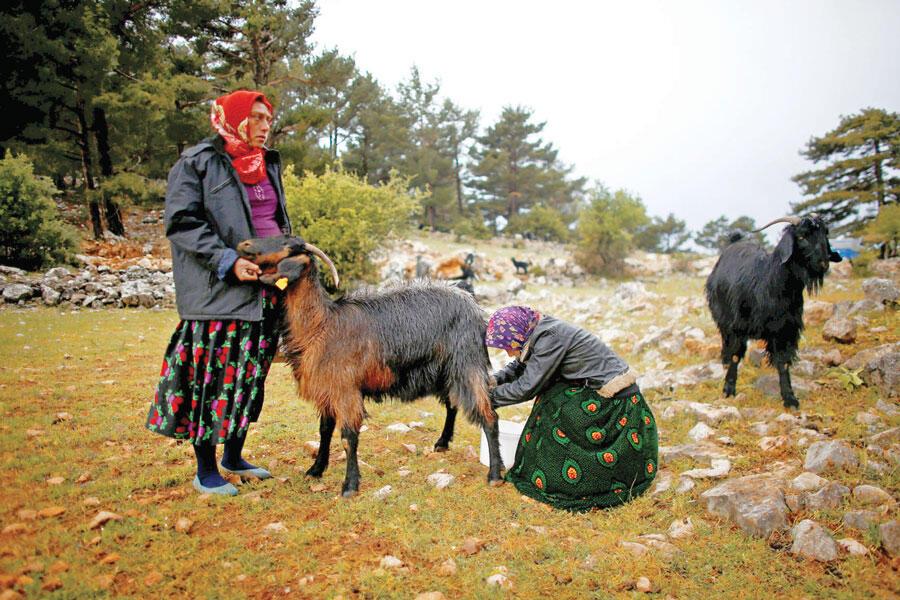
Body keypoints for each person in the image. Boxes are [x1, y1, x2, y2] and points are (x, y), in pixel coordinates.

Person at [146, 90, 294, 496]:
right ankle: (206, 469)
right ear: (234, 118)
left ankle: (234, 455)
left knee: (250, 374)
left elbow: (273, 220)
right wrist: (228, 262)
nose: (265, 126)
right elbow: (182, 223)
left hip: (265, 287)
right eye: (258, 118)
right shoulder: (198, 163)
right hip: (219, 290)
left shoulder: (266, 165)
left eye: (268, 119)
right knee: (213, 378)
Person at [487, 306, 658, 511]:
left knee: (555, 406)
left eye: (508, 345)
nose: (507, 352)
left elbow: (527, 388)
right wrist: (491, 382)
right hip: (597, 388)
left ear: (518, 335)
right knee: (552, 394)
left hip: (615, 401)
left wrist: (484, 399)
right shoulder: (538, 332)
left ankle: (568, 479)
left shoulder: (551, 337)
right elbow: (520, 367)